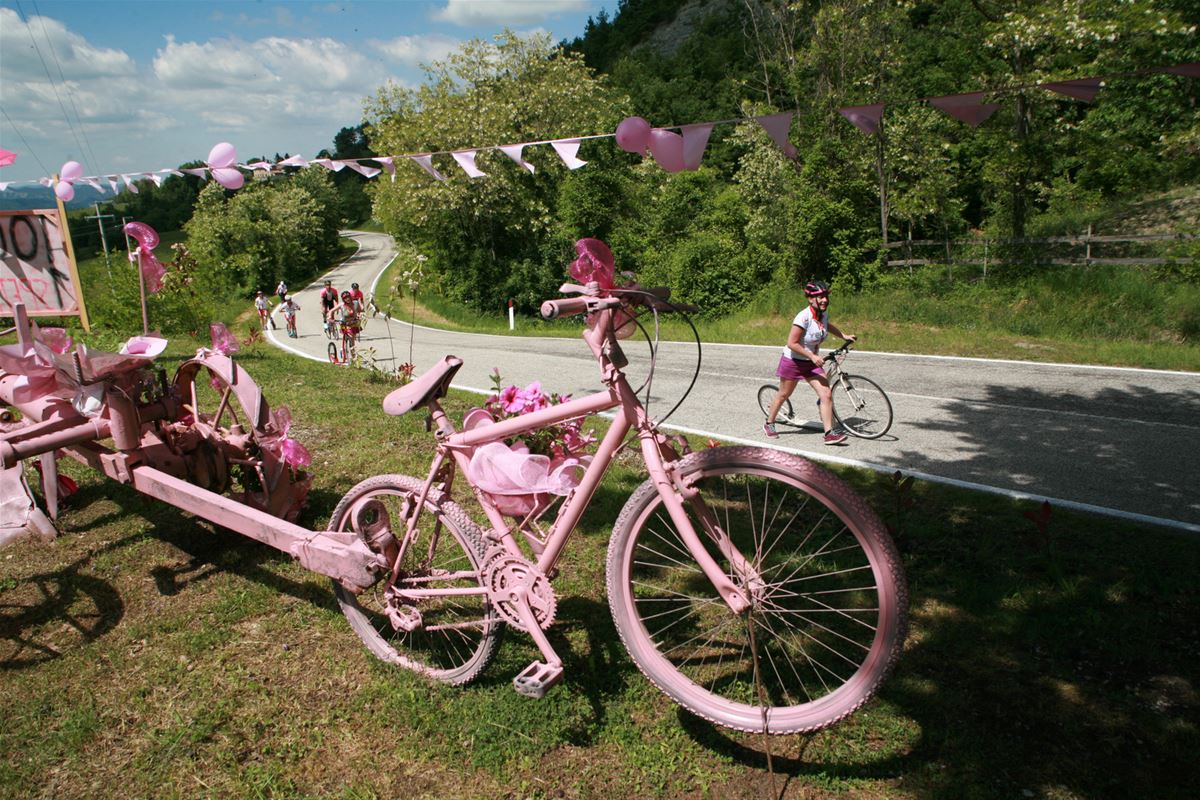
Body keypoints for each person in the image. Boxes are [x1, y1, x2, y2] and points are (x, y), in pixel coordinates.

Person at [763, 280, 855, 445]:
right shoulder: (803, 317)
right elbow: (792, 343)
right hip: (793, 361)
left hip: (811, 364)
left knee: (826, 394)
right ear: (810, 299)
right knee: (784, 394)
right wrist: (812, 356)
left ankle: (829, 434)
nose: (824, 300)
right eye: (820, 297)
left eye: (825, 296)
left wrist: (844, 335)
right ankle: (769, 423)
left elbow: (827, 325)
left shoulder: (823, 313)